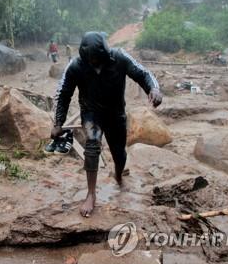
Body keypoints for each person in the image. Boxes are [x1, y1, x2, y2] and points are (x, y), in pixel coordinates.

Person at [51, 32, 162, 217]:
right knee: (92, 145)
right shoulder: (76, 66)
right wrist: (58, 122)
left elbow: (143, 73)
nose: (93, 62)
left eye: (97, 58)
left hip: (116, 113)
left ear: (105, 53)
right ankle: (91, 194)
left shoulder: (119, 57)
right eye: (90, 59)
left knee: (119, 154)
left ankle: (118, 174)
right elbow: (63, 94)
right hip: (91, 113)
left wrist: (154, 88)